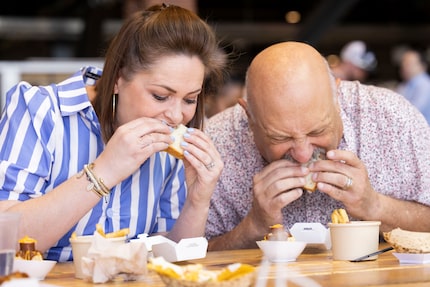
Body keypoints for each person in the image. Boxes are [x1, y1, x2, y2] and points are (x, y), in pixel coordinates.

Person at [0, 3, 227, 261]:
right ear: (118, 78)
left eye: (190, 99)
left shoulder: (174, 146)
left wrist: (198, 201)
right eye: (160, 96)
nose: (176, 116)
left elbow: (172, 260)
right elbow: (4, 240)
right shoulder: (41, 110)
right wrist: (104, 171)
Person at [204, 41, 430, 251]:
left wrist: (375, 207)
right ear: (249, 117)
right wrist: (253, 227)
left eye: (317, 131)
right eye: (280, 138)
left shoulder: (392, 118)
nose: (303, 155)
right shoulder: (217, 142)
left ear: (337, 98)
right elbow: (185, 260)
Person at [396, 48, 430, 124]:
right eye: (403, 63)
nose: (404, 66)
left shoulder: (425, 85)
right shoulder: (404, 85)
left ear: (422, 66)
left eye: (409, 63)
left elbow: (414, 112)